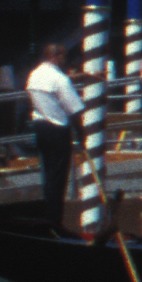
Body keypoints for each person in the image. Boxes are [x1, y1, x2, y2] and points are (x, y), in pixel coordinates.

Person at [23, 43, 89, 222]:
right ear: (56, 57)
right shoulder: (60, 80)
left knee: (48, 174)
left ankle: (49, 216)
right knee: (58, 177)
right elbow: (74, 110)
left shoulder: (34, 75)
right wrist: (82, 135)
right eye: (62, 56)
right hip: (58, 128)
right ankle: (55, 219)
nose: (64, 60)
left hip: (40, 126)